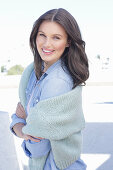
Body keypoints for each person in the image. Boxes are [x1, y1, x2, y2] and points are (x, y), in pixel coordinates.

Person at [10, 8, 89, 170]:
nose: (47, 44)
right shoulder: (33, 72)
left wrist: (21, 129)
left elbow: (37, 143)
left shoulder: (57, 81)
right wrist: (22, 127)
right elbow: (22, 118)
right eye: (42, 35)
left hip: (57, 166)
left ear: (68, 42)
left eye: (56, 38)